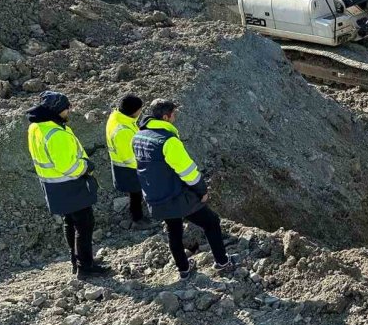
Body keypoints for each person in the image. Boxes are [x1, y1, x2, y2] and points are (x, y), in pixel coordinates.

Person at [133, 99, 237, 280]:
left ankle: (184, 269)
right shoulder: (168, 141)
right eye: (174, 114)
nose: (175, 117)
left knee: (174, 230)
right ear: (166, 117)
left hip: (155, 196)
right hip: (175, 195)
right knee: (211, 222)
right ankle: (222, 262)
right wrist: (201, 190)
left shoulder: (138, 137)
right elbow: (187, 171)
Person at [26, 91, 111, 278]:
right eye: (66, 108)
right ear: (57, 110)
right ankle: (85, 267)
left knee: (70, 223)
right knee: (84, 224)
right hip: (69, 184)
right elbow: (69, 166)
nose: (69, 110)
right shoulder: (56, 134)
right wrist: (86, 166)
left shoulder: (37, 127)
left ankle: (76, 261)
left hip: (53, 185)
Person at [106, 94, 149, 226]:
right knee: (135, 194)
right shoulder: (122, 131)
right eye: (139, 109)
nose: (140, 112)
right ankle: (137, 219)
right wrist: (145, 165)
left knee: (135, 194)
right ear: (132, 111)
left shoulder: (118, 117)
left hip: (124, 167)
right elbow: (129, 158)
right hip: (128, 169)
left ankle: (137, 215)